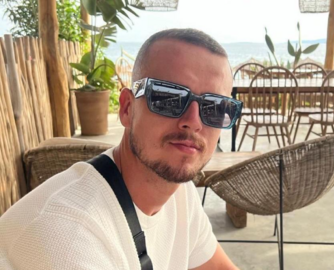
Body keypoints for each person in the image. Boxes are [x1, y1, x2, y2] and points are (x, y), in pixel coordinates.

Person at [0, 29, 241, 270]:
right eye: (169, 98)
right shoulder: (67, 231)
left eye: (216, 108)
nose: (194, 121)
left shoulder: (181, 194)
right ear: (127, 108)